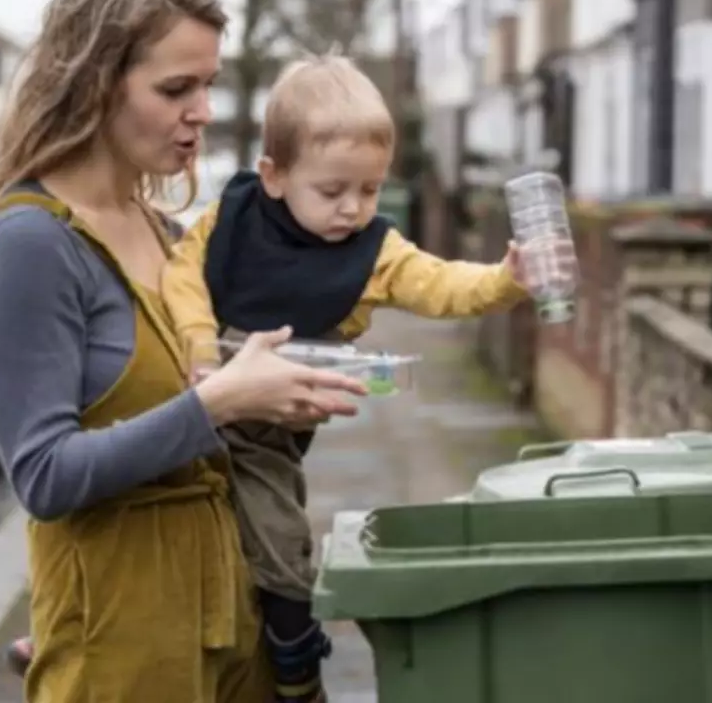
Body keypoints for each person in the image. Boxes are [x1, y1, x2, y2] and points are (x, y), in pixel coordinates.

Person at [0, 0, 367, 703]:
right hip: (122, 647)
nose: (204, 110)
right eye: (177, 88)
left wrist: (279, 394)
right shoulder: (32, 243)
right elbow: (43, 476)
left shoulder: (169, 230)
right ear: (93, 86)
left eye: (209, 84)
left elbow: (213, 420)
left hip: (232, 624)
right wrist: (218, 405)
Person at [159, 55, 532, 702]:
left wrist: (505, 281)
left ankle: (296, 661)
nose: (352, 210)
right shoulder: (232, 216)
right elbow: (180, 275)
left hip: (264, 437)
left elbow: (442, 283)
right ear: (273, 176)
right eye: (332, 192)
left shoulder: (375, 251)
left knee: (280, 543)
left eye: (369, 189)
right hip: (190, 394)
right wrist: (200, 345)